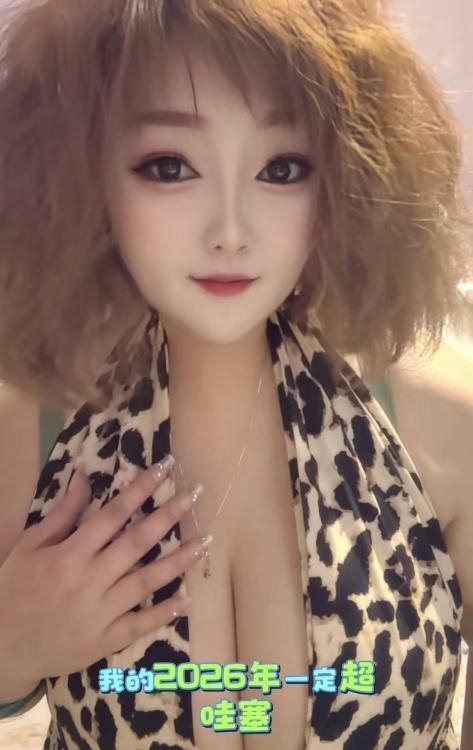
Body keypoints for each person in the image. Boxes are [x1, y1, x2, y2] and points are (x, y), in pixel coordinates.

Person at [0, 1, 472, 749]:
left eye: (281, 169)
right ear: (83, 172)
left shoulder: (436, 418)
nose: (229, 231)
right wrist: (9, 650)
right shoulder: (32, 431)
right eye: (169, 166)